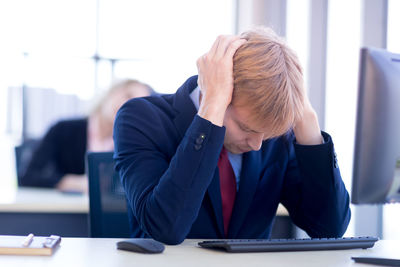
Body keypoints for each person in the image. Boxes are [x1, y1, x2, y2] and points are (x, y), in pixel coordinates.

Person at [113, 27, 351, 245]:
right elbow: (166, 228)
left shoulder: (275, 138)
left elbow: (328, 229)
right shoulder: (140, 119)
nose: (257, 145)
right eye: (246, 128)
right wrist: (211, 110)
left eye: (265, 135)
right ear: (216, 91)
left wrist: (306, 117)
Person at [20, 79, 153, 193]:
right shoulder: (63, 129)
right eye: (127, 95)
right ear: (111, 93)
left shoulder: (133, 144)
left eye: (139, 103)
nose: (128, 105)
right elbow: (28, 176)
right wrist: (69, 182)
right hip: (64, 212)